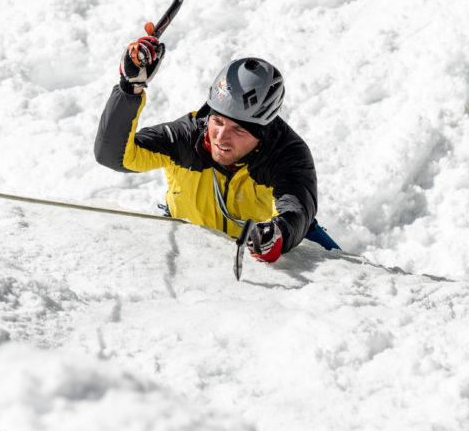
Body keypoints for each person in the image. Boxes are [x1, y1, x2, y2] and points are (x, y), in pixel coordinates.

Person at [94, 35, 321, 262]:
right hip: (196, 255)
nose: (221, 138)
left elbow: (296, 209)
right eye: (218, 122)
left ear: (262, 133)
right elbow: (113, 156)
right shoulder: (184, 138)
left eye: (239, 130)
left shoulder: (287, 153)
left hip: (269, 248)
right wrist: (129, 89)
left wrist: (278, 233)